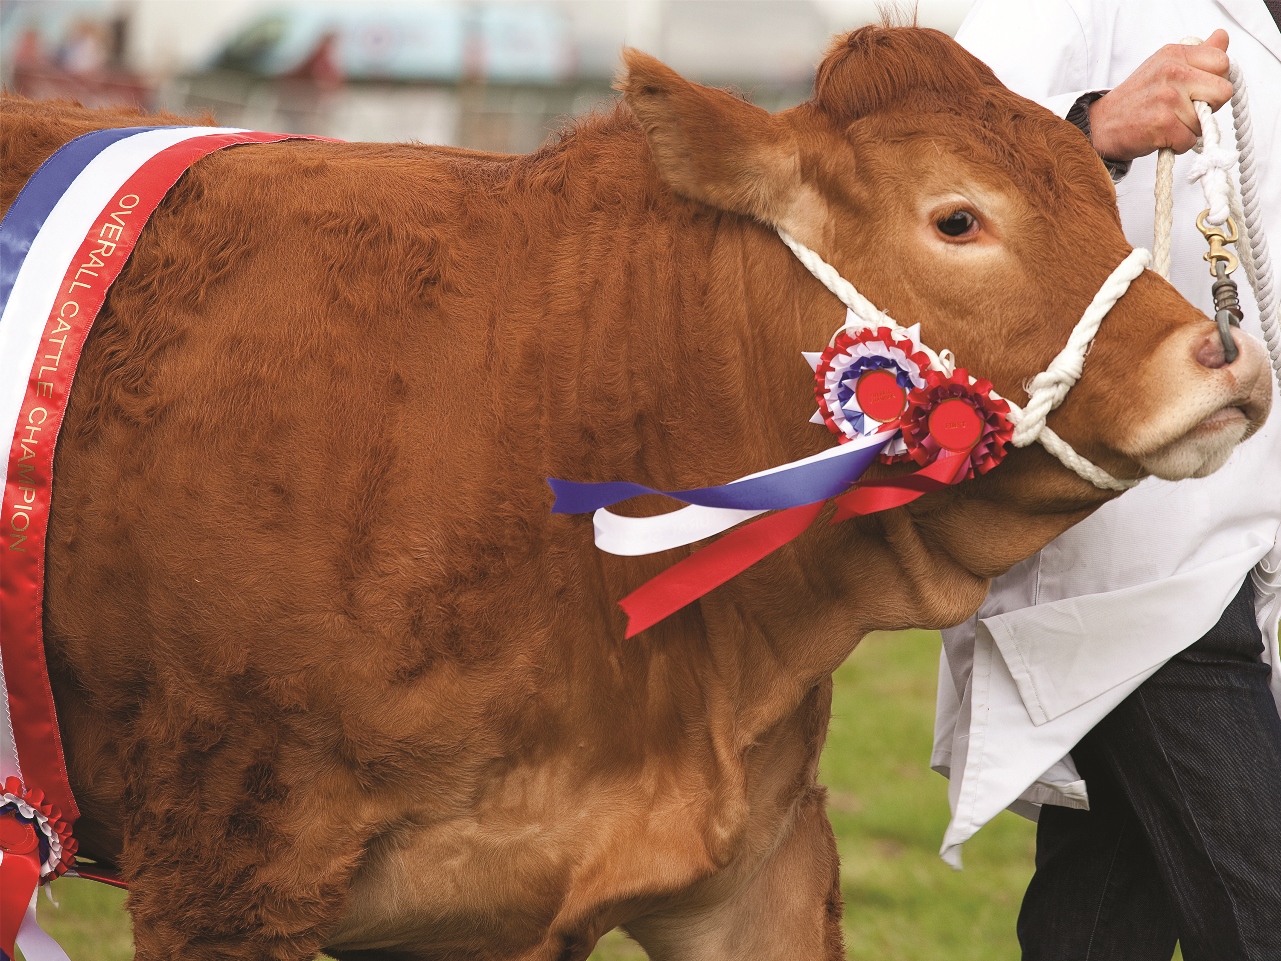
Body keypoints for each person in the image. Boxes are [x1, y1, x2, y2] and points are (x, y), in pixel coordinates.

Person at [930, 2, 1281, 959]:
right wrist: (1094, 123)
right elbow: (930, 151)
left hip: (1246, 533)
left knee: (1104, 912)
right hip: (1136, 547)